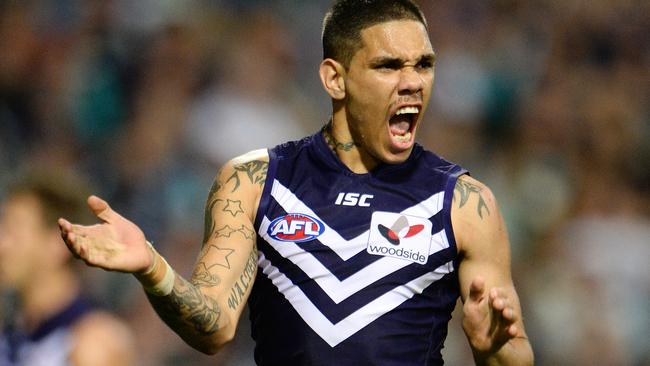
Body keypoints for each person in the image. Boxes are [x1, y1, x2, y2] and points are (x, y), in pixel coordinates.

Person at [58, 0, 534, 365]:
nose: (413, 82)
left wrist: (497, 349)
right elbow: (215, 326)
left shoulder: (465, 203)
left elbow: (511, 356)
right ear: (335, 78)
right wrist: (153, 267)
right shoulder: (255, 182)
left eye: (424, 65)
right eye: (389, 66)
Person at [0, 171, 135, 366]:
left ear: (56, 243)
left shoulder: (92, 345)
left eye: (14, 231)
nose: (2, 245)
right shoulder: (15, 333)